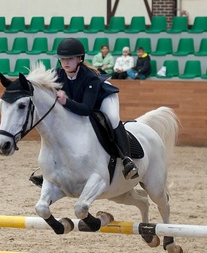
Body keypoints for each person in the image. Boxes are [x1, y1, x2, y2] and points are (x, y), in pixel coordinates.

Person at [30, 38, 138, 187]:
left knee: (112, 118)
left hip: (103, 97)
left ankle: (127, 159)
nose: (66, 62)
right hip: (78, 101)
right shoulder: (56, 74)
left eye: (70, 59)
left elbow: (87, 110)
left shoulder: (90, 77)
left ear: (79, 59)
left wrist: (65, 102)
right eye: (63, 59)